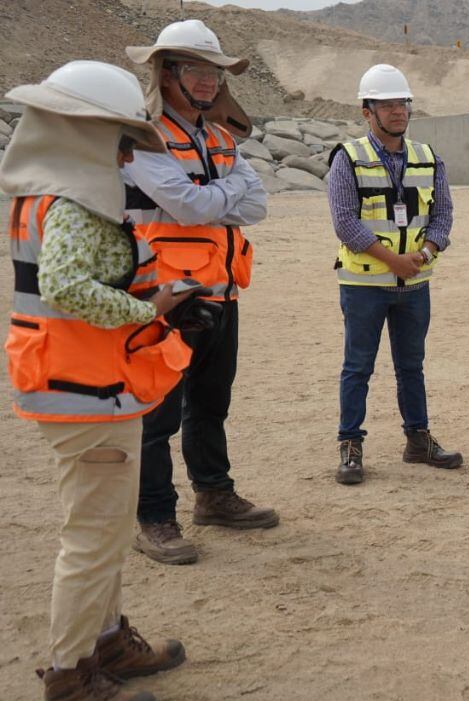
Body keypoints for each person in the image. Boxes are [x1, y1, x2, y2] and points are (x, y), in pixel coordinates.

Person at [1, 60, 204, 701]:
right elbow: (66, 290)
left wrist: (152, 297)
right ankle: (68, 678)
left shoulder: (51, 196)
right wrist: (153, 309)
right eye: (117, 139)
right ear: (78, 134)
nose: (124, 154)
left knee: (106, 528)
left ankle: (108, 640)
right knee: (93, 534)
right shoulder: (69, 204)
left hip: (88, 387)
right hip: (82, 394)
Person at [122, 19, 275, 564]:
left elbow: (255, 206)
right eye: (195, 69)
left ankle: (213, 495)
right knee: (156, 413)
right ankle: (155, 518)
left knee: (211, 404)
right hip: (163, 298)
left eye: (213, 71)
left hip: (221, 294)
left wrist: (211, 193)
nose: (208, 81)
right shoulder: (143, 137)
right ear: (165, 75)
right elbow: (189, 206)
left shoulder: (218, 137)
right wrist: (222, 191)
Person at [328, 63, 461, 485]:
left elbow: (443, 214)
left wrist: (426, 250)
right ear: (366, 111)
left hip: (415, 284)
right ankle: (350, 446)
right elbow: (346, 223)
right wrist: (393, 260)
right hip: (365, 285)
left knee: (411, 365)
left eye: (402, 102)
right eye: (386, 104)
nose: (397, 110)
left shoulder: (428, 158)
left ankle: (417, 439)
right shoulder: (347, 159)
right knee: (358, 367)